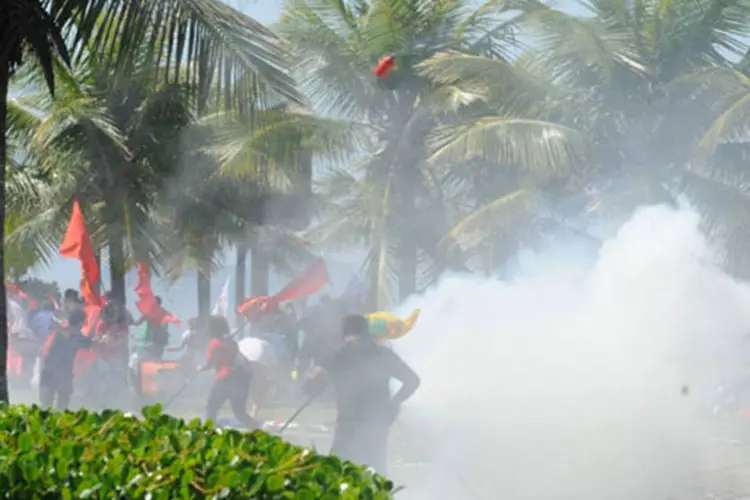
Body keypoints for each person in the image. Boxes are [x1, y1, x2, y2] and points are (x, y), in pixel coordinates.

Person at [305, 314, 420, 474]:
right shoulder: (384, 354)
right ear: (366, 332)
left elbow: (313, 380)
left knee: (338, 473)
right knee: (375, 475)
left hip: (348, 426)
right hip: (377, 424)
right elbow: (413, 380)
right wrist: (394, 403)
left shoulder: (337, 354)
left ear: (344, 333)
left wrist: (314, 385)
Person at [199, 315, 257, 429]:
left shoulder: (214, 343)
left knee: (211, 408)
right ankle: (257, 431)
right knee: (240, 412)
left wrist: (200, 367)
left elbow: (209, 364)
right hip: (240, 378)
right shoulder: (231, 342)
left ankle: (209, 432)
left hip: (224, 377)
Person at [38, 309, 98, 410]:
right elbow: (88, 343)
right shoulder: (77, 337)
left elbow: (43, 351)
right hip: (63, 373)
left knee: (46, 407)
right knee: (62, 406)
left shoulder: (59, 333)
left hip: (48, 370)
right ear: (80, 322)